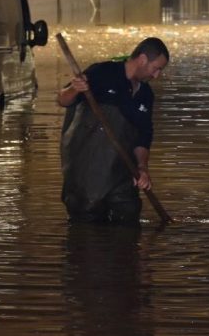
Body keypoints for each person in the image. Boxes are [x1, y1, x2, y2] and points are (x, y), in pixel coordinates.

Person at [57, 37, 170, 223]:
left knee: (128, 217)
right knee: (86, 225)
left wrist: (142, 168)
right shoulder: (102, 72)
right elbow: (62, 100)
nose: (157, 75)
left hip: (122, 174)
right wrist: (74, 89)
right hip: (87, 173)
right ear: (142, 59)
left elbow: (143, 135)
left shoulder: (146, 94)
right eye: (156, 68)